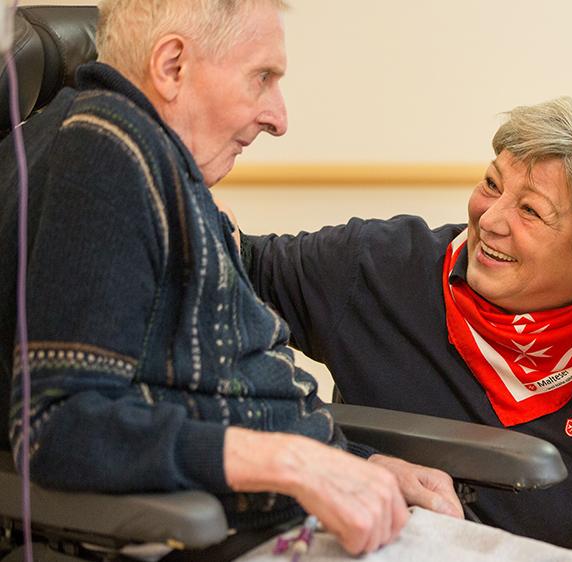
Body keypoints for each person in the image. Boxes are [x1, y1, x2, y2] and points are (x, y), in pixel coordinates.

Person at [0, 0, 463, 556]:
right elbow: (60, 428)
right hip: (229, 538)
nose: (279, 117)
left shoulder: (141, 156)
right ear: (172, 66)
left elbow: (202, 395)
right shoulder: (105, 147)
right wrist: (293, 464)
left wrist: (356, 463)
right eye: (262, 77)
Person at [239, 97, 572, 553]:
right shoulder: (374, 266)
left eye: (531, 211)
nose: (491, 219)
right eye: (492, 185)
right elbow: (228, 271)